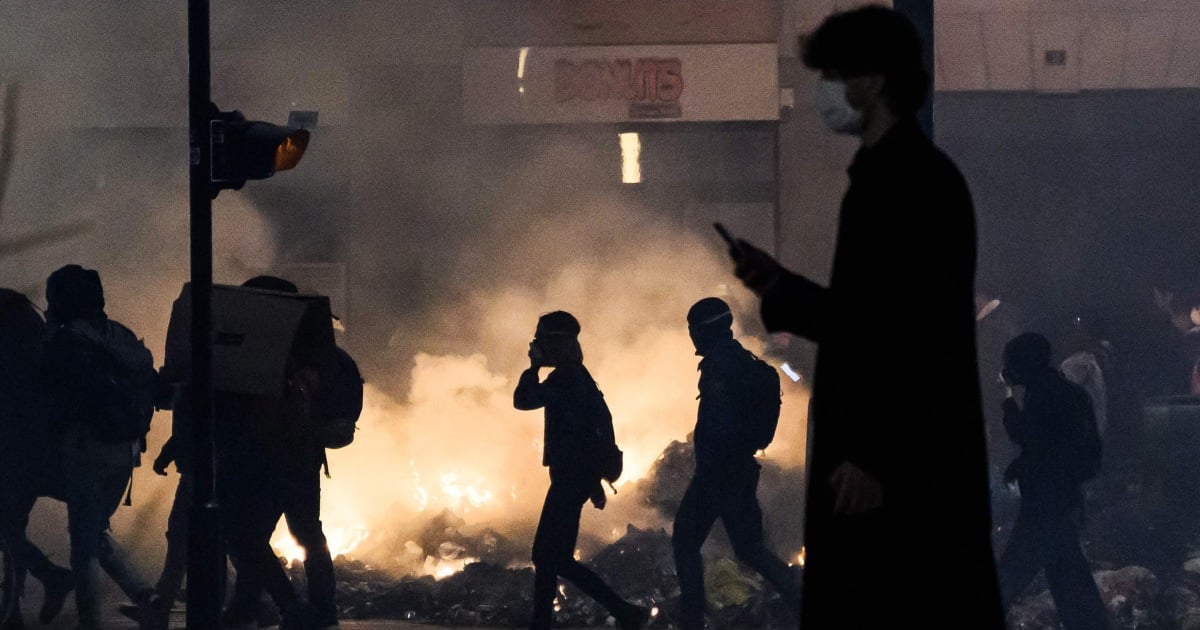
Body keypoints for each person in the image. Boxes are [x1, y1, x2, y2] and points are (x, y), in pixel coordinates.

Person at [729, 6, 1004, 627]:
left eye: (835, 72)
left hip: (893, 478)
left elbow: (910, 336)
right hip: (894, 467)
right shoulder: (896, 178)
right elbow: (868, 316)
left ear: (874, 81)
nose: (827, 89)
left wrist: (876, 455)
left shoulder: (905, 183)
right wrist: (780, 286)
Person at [37, 265, 167, 630]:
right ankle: (145, 595)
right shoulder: (120, 336)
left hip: (85, 448)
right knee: (94, 531)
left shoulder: (68, 341)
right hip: (126, 450)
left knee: (84, 545)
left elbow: (49, 391)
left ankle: (90, 622)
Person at [216, 275, 339, 630]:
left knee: (248, 536)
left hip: (264, 457)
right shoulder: (315, 355)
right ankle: (320, 610)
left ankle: (282, 606)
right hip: (301, 458)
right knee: (307, 535)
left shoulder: (260, 350)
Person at [513, 311, 648, 630]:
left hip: (568, 481)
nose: (538, 348)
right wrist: (593, 484)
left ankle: (617, 613)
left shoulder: (566, 380)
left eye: (542, 342)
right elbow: (586, 437)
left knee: (547, 557)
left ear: (556, 344)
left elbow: (523, 399)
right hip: (575, 480)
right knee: (555, 559)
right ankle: (625, 613)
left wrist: (532, 367)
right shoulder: (578, 377)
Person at [671, 298, 799, 630]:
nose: (691, 337)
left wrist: (707, 467)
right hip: (740, 470)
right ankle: (797, 595)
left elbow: (718, 422)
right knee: (750, 548)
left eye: (693, 330)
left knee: (684, 540)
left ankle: (691, 622)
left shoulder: (718, 366)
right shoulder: (743, 360)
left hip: (718, 474)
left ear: (704, 331)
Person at [997, 332, 1110, 629]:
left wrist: (1008, 402)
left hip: (1045, 502)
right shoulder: (1071, 392)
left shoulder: (1042, 393)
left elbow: (1029, 439)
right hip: (1065, 497)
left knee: (1013, 572)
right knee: (1068, 577)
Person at [0, 288, 73, 629]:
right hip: (33, 451)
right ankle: (17, 604)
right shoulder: (36, 338)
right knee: (11, 527)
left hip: (11, 450)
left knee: (7, 529)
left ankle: (23, 598)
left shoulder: (10, 349)